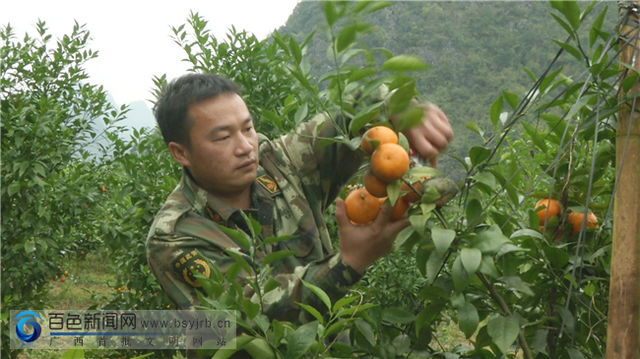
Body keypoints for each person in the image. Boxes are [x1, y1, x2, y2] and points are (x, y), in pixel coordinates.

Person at [145, 72, 453, 335]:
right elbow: (249, 319)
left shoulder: (278, 162)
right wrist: (349, 263)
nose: (244, 147)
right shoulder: (175, 235)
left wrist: (402, 108)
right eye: (223, 137)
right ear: (181, 153)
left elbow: (362, 106)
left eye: (248, 128)